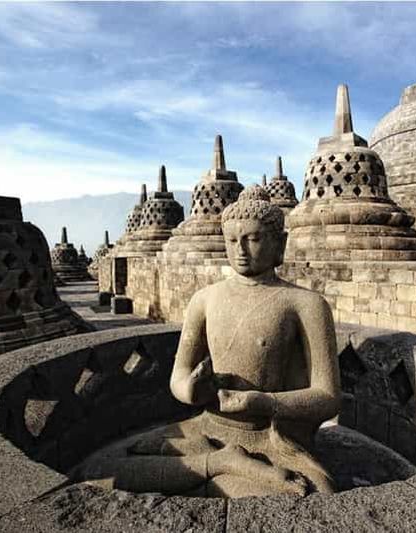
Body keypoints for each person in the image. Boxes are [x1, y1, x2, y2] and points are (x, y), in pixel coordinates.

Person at [72, 186, 340, 498]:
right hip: (205, 429)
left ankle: (224, 467)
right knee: (99, 468)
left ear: (279, 244)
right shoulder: (205, 299)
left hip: (266, 438)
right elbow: (179, 378)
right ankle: (218, 464)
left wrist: (264, 403)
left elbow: (328, 397)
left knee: (311, 493)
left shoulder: (305, 304)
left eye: (252, 239)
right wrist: (191, 390)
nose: (240, 249)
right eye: (231, 240)